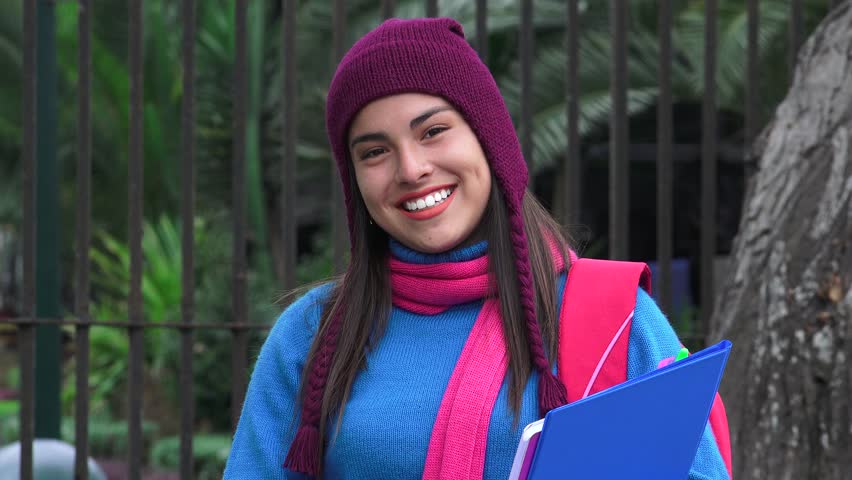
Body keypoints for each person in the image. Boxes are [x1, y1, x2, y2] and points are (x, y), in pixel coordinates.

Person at [223, 17, 730, 480]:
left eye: (434, 131)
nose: (411, 168)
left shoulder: (615, 316)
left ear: (488, 140)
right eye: (374, 151)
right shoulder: (311, 336)